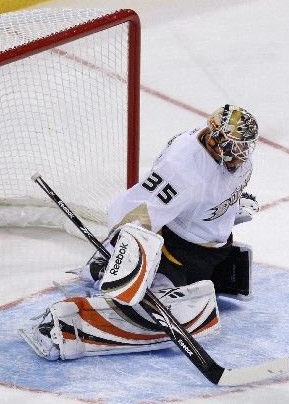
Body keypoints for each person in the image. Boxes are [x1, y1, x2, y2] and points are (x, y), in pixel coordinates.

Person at [19, 104, 261, 360]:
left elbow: (217, 185)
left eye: (246, 146)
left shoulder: (232, 160)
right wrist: (119, 255)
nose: (243, 153)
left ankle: (110, 267)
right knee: (151, 301)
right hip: (178, 252)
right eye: (236, 146)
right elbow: (138, 210)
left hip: (211, 249)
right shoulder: (183, 169)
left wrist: (226, 207)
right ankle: (68, 324)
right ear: (216, 139)